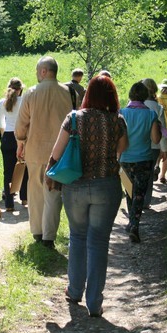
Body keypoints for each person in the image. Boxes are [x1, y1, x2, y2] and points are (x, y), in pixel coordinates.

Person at [46, 75, 128, 317]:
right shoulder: (117, 120)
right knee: (99, 242)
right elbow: (122, 149)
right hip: (107, 185)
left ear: (88, 94)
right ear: (112, 96)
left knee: (78, 236)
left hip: (75, 187)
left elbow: (56, 153)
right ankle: (95, 302)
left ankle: (74, 291)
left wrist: (48, 174)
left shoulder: (73, 118)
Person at [15, 56, 74, 249]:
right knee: (54, 194)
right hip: (61, 153)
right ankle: (49, 236)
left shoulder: (31, 93)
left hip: (35, 150)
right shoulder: (70, 93)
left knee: (35, 192)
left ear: (43, 71)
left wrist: (21, 142)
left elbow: (21, 125)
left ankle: (38, 232)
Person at [119, 82, 161, 242]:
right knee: (139, 194)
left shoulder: (121, 113)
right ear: (145, 96)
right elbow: (155, 139)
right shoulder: (150, 115)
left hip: (124, 160)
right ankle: (134, 225)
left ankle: (132, 223)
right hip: (144, 159)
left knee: (129, 192)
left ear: (130, 95)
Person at [0, 78, 29, 211]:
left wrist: (4, 137)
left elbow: (1, 124)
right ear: (20, 89)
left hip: (7, 137)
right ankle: (24, 198)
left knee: (7, 172)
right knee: (24, 168)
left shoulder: (2, 102)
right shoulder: (25, 100)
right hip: (21, 136)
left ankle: (9, 203)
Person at [141, 78, 167, 205]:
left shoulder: (136, 105)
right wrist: (164, 149)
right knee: (149, 174)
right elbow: (163, 130)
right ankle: (146, 201)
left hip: (138, 143)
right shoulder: (158, 107)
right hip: (154, 145)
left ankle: (135, 198)